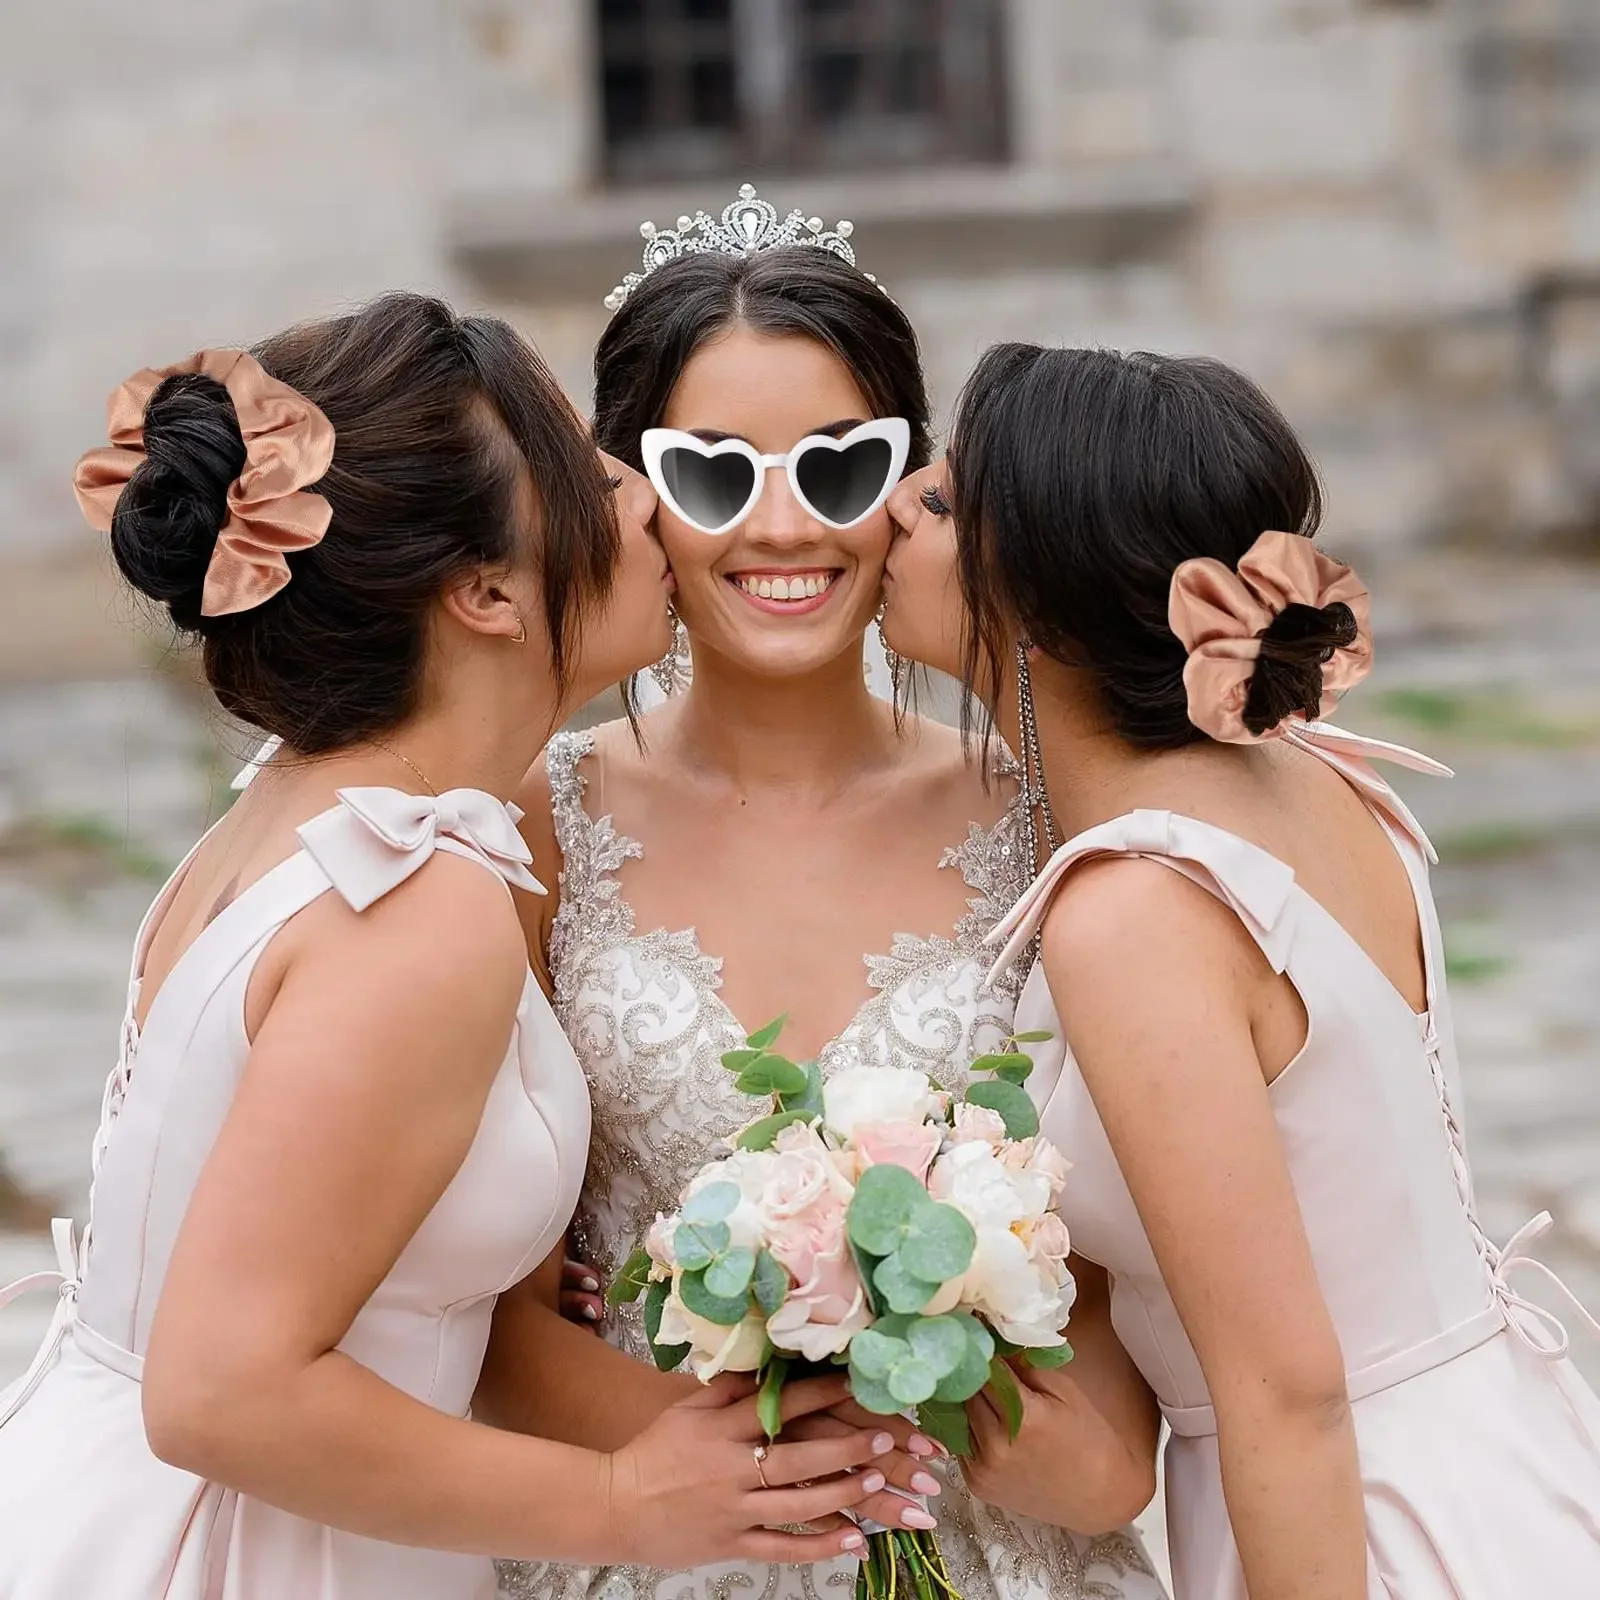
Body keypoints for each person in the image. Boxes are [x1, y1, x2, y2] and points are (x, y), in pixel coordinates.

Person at [0, 293, 898, 1600]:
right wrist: (621, 1499)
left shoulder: (295, 806)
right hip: (253, 1552)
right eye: (590, 473)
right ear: (484, 587)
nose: (645, 499)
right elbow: (220, 1393)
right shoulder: (416, 901)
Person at [490, 189, 1167, 1600]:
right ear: (636, 502)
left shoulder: (1046, 826)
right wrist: (749, 1462)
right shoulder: (534, 828)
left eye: (842, 468)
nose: (784, 529)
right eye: (717, 476)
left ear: (911, 487)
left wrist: (929, 1379)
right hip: (656, 1541)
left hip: (994, 1545)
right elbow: (488, 1312)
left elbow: (1111, 1421)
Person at [883, 342, 1600, 1598]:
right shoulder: (1312, 771)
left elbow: (1286, 1392)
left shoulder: (1135, 909)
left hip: (1353, 1525)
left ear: (1045, 606)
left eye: (940, 504)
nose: (892, 503)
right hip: (1496, 1446)